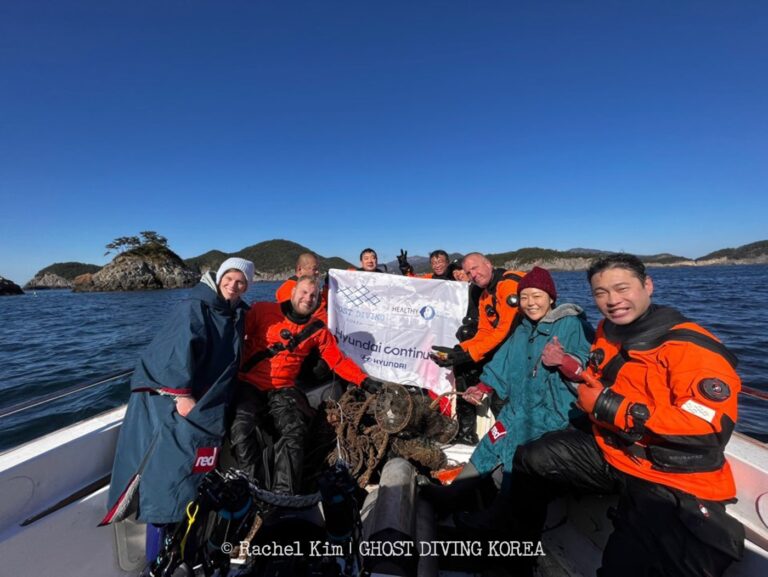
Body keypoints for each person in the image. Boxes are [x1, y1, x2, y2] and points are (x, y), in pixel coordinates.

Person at [501, 254, 745, 576]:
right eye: (601, 293)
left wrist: (607, 406)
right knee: (531, 458)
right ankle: (515, 556)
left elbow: (707, 428)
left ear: (647, 285)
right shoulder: (608, 330)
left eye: (622, 288)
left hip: (666, 474)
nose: (613, 301)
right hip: (612, 450)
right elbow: (604, 378)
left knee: (627, 564)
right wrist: (574, 370)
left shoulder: (690, 347)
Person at [433, 267, 593, 525]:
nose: (531, 303)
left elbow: (588, 367)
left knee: (515, 453)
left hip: (553, 413)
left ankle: (500, 515)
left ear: (551, 297)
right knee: (492, 440)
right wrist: (483, 387)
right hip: (517, 408)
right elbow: (503, 363)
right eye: (525, 297)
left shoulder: (571, 325)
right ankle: (454, 493)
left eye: (537, 296)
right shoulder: (522, 329)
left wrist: (563, 361)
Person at [102, 257, 254, 525]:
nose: (233, 285)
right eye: (229, 279)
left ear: (246, 287)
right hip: (180, 398)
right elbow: (173, 350)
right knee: (173, 464)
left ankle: (192, 524)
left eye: (240, 282)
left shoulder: (236, 313)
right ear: (219, 279)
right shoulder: (194, 307)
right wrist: (182, 395)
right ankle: (164, 525)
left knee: (201, 467)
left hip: (211, 398)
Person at [229, 275, 384, 495]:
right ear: (292, 293)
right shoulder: (262, 311)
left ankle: (284, 495)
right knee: (241, 429)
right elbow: (233, 337)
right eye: (303, 292)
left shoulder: (318, 329)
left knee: (295, 432)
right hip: (248, 384)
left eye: (313, 295)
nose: (308, 298)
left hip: (283, 388)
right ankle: (253, 489)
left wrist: (365, 381)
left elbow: (337, 360)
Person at [430, 252, 526, 439]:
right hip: (507, 351)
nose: (473, 275)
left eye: (475, 268)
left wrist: (468, 354)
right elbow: (484, 332)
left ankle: (513, 442)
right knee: (464, 362)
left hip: (525, 351)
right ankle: (468, 433)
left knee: (501, 399)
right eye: (469, 272)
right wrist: (459, 351)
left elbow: (505, 331)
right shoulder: (485, 296)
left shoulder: (508, 285)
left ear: (488, 264)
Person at [275, 252, 328, 321]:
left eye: (318, 269)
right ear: (300, 269)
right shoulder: (288, 290)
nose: (317, 272)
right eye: (314, 269)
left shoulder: (311, 289)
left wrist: (327, 286)